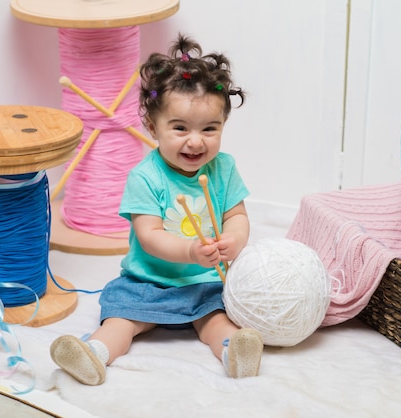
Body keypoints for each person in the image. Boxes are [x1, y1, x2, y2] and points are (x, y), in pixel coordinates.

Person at [49, 34, 263, 386]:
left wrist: (235, 240)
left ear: (224, 125)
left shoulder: (224, 168)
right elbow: (148, 236)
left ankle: (233, 351)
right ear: (152, 127)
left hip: (205, 282)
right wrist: (191, 250)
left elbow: (236, 216)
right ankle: (94, 353)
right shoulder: (145, 176)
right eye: (180, 128)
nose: (196, 141)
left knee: (218, 318)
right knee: (120, 319)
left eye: (210, 129)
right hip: (147, 281)